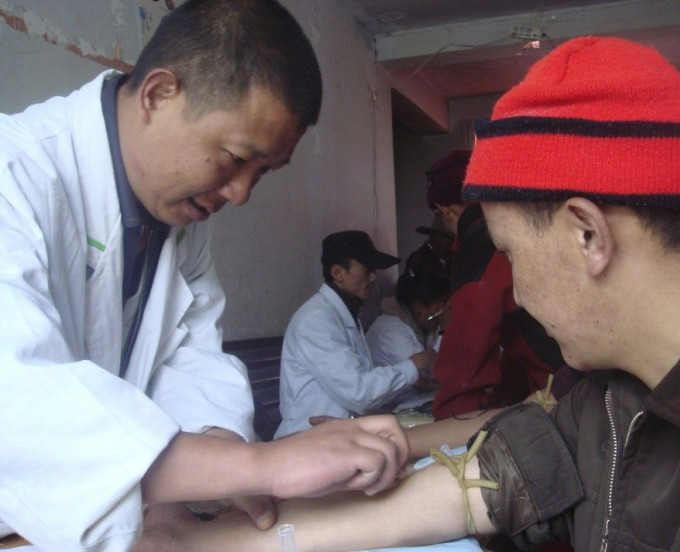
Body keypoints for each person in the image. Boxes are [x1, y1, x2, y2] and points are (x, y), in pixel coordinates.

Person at [131, 35, 680, 552]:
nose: (517, 295)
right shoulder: (610, 402)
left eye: (511, 254)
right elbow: (480, 483)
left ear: (588, 235)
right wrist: (199, 541)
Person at [0, 1, 411, 550]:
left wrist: (217, 459)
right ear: (158, 95)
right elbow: (18, 401)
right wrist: (256, 466)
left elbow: (189, 356)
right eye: (235, 158)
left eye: (261, 173)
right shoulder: (15, 177)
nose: (240, 194)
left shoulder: (180, 222)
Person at [426, 151, 569, 420]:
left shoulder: (480, 247)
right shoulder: (534, 226)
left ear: (446, 210)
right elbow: (520, 337)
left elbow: (466, 353)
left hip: (563, 396)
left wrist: (449, 421)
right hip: (572, 387)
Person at [274, 230, 437, 438]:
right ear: (337, 273)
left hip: (339, 433)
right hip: (308, 439)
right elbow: (359, 392)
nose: (373, 276)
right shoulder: (315, 320)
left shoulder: (344, 315)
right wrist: (415, 363)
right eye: (367, 268)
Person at [366, 269, 451, 404]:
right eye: (441, 307)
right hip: (391, 409)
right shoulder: (392, 330)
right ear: (419, 308)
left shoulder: (417, 326)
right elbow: (436, 373)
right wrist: (445, 331)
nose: (445, 313)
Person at [404, 212, 455, 279]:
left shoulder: (451, 260)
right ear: (437, 238)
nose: (453, 245)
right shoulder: (418, 259)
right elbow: (412, 278)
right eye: (450, 240)